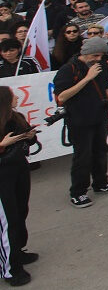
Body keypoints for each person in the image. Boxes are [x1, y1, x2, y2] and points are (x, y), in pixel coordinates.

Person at [52, 36, 108, 208]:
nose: (98, 59)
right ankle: (78, 192)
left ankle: (100, 183)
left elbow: (107, 83)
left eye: (101, 56)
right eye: (95, 56)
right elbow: (62, 96)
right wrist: (87, 78)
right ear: (86, 53)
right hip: (79, 119)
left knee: (100, 150)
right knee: (82, 156)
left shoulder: (103, 65)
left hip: (99, 115)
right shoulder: (68, 69)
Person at [0, 86, 37, 286]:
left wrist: (30, 137)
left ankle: (18, 251)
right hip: (3, 177)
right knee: (9, 222)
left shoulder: (17, 117)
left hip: (20, 171)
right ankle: (11, 269)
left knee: (21, 212)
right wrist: (3, 144)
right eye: (13, 96)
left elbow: (29, 142)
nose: (17, 97)